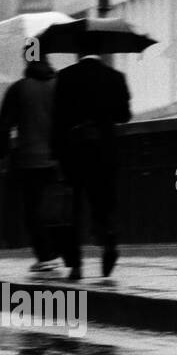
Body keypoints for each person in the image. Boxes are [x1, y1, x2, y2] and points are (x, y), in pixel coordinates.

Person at [51, 46, 132, 281]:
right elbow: (124, 115)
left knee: (73, 209)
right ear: (102, 51)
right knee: (104, 204)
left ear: (78, 53)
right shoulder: (115, 77)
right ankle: (109, 243)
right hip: (104, 152)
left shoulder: (65, 77)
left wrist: (56, 155)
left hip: (73, 153)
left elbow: (57, 120)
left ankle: (75, 265)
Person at [0, 49, 59, 271]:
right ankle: (59, 249)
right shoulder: (59, 85)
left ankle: (45, 257)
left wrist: (3, 154)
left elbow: (4, 126)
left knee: (32, 208)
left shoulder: (19, 89)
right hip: (57, 158)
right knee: (57, 205)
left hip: (29, 159)